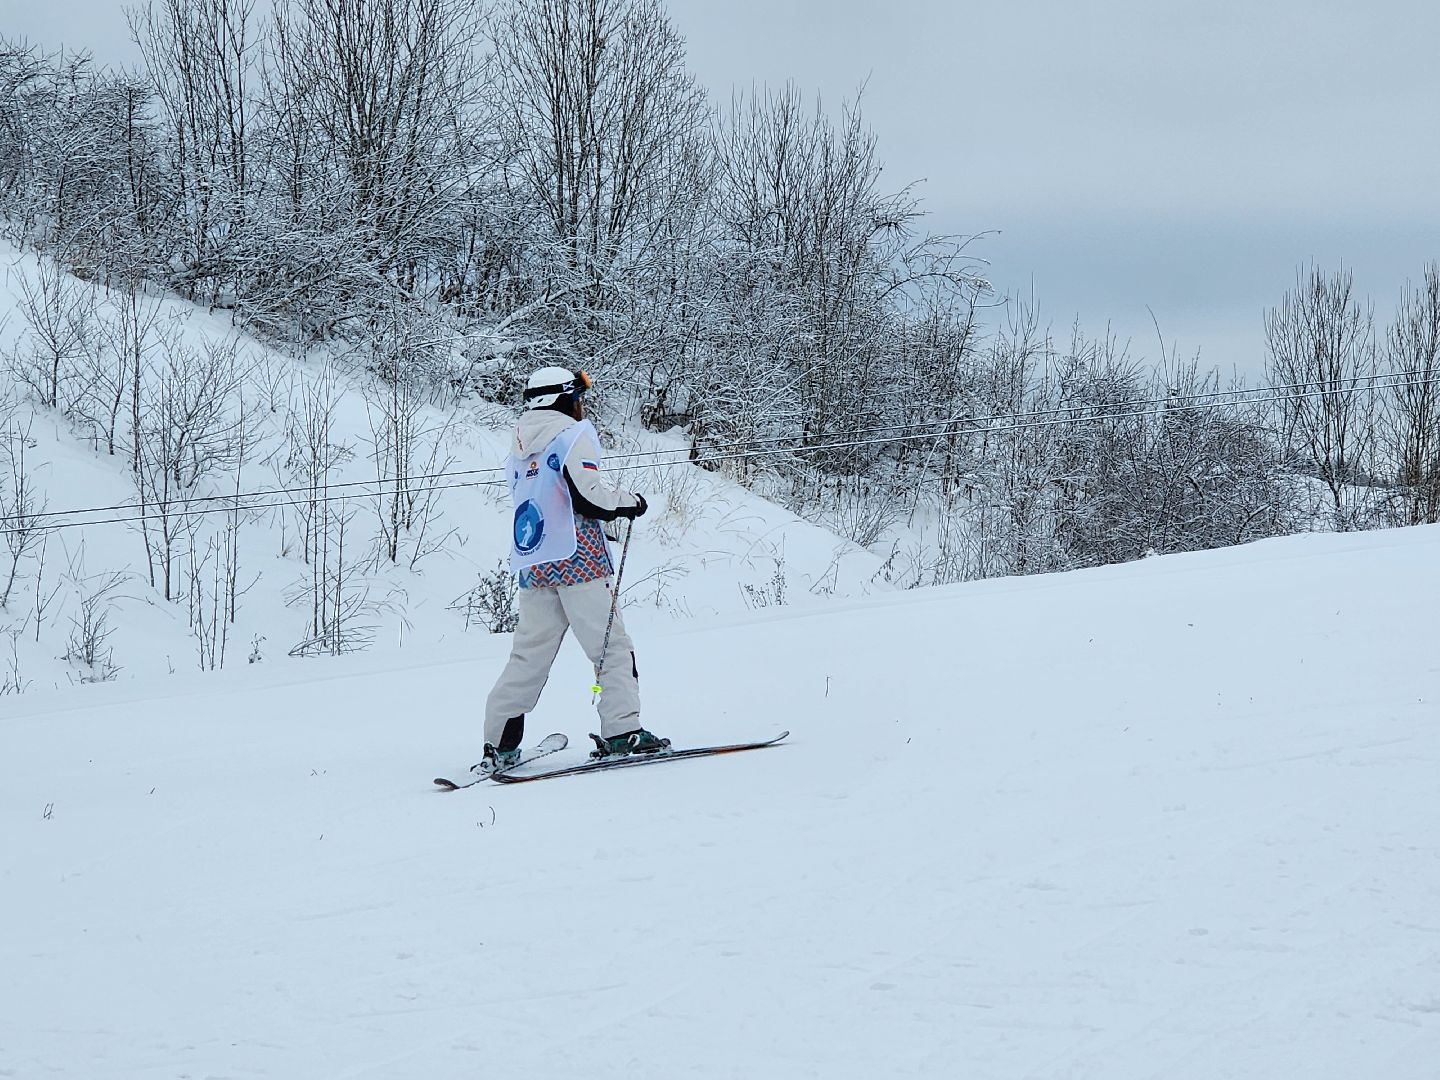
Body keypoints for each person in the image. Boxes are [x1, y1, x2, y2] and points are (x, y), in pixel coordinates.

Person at [481, 366, 667, 770]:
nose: (581, 405)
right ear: (562, 399)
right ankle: (622, 732)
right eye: (577, 397)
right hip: (579, 560)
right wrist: (630, 502)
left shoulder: (517, 445)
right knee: (611, 649)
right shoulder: (572, 435)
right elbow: (590, 499)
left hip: (534, 562)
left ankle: (499, 744)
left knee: (528, 656)